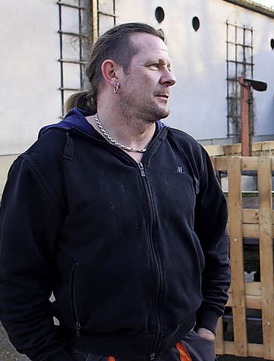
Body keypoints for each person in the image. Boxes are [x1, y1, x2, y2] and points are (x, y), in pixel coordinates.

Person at [0, 23, 230, 361]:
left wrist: (207, 323)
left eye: (169, 67)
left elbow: (214, 242)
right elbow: (14, 278)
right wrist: (52, 354)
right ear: (113, 73)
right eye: (155, 66)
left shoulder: (186, 152)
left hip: (184, 349)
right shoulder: (51, 161)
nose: (170, 78)